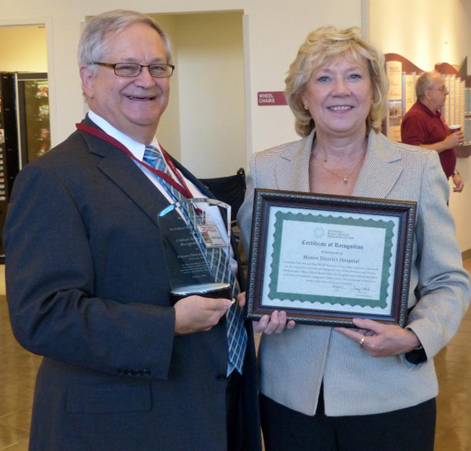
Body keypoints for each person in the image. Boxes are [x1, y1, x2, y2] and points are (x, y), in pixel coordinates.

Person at [3, 10, 261, 451]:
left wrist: (242, 294)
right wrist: (169, 325)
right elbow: (42, 317)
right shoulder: (54, 178)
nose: (146, 80)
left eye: (158, 67)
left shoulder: (172, 172)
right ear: (87, 78)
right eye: (126, 67)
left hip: (210, 403)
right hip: (125, 424)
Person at [237, 26, 469, 451]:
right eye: (323, 78)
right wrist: (256, 309)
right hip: (291, 396)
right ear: (304, 95)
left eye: (354, 76)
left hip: (391, 393)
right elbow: (257, 277)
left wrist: (416, 337)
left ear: (374, 90)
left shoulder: (417, 168)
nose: (339, 90)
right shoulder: (267, 168)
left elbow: (449, 283)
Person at [401, 71, 465, 193]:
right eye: (442, 89)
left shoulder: (435, 114)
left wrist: (454, 172)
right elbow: (413, 153)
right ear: (428, 94)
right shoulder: (415, 117)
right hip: (426, 189)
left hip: (438, 185)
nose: (447, 92)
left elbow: (442, 151)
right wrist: (446, 144)